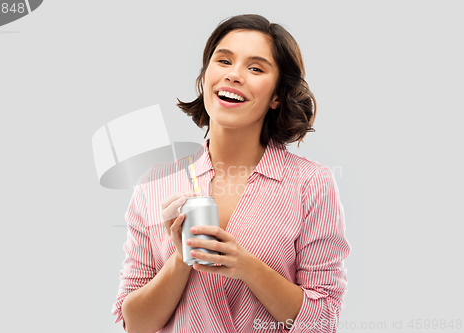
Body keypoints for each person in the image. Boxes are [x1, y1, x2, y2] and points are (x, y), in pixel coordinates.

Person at [112, 14, 351, 333]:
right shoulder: (155, 184)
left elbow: (323, 322)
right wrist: (182, 259)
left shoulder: (311, 184)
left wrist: (246, 267)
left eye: (255, 68)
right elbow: (135, 324)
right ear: (205, 75)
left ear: (277, 96)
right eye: (223, 60)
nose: (234, 75)